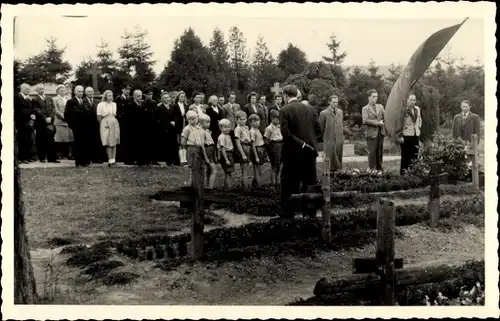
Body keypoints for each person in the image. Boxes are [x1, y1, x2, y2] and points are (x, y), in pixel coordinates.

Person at [279, 85, 322, 219]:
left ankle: (288, 216)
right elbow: (319, 131)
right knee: (309, 184)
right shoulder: (310, 109)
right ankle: (310, 215)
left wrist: (301, 144)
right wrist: (309, 144)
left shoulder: (284, 110)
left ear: (286, 96)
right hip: (310, 154)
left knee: (289, 185)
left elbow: (285, 133)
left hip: (292, 155)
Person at [64, 85, 94, 167]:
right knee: (77, 144)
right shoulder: (70, 102)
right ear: (75, 92)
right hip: (77, 127)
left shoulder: (84, 101)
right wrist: (72, 125)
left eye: (82, 91)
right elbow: (67, 115)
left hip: (85, 127)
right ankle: (78, 162)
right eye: (79, 91)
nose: (81, 93)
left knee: (85, 143)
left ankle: (85, 161)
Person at [31, 84, 58, 163]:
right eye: (39, 89)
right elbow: (36, 110)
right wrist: (44, 118)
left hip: (50, 123)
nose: (41, 90)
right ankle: (42, 158)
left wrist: (50, 117)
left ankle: (52, 158)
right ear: (37, 91)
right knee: (41, 140)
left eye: (42, 89)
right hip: (41, 123)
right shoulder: (35, 99)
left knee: (51, 140)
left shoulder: (49, 98)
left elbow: (53, 109)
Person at [362, 89, 386, 173]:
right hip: (371, 133)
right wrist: (377, 123)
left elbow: (385, 117)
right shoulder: (365, 108)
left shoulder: (380, 106)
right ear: (369, 98)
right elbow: (365, 121)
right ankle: (371, 169)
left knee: (379, 151)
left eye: (376, 97)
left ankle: (379, 169)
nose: (376, 98)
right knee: (372, 152)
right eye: (374, 97)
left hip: (380, 132)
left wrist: (384, 123)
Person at [319, 94, 345, 173]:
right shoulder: (324, 113)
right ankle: (327, 177)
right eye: (333, 102)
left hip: (339, 140)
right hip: (329, 140)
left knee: (338, 159)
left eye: (336, 102)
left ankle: (338, 175)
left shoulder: (340, 112)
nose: (335, 104)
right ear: (329, 102)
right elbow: (321, 128)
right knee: (328, 160)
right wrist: (325, 138)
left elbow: (340, 126)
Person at [398, 94, 422, 175]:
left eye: (414, 100)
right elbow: (399, 123)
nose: (412, 102)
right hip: (406, 135)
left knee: (415, 154)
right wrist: (400, 135)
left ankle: (413, 172)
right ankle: (404, 174)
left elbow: (419, 119)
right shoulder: (403, 110)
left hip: (415, 134)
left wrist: (418, 127)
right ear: (407, 100)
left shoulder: (417, 109)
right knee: (405, 156)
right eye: (411, 100)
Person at [96, 90, 120, 166]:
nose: (110, 97)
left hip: (113, 121)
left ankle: (113, 159)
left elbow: (114, 114)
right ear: (105, 96)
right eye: (109, 95)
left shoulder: (114, 104)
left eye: (111, 95)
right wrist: (102, 125)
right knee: (108, 142)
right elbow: (99, 117)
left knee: (114, 142)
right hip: (105, 122)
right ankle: (110, 160)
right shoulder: (101, 104)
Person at [181, 110, 205, 186]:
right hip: (191, 148)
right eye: (191, 119)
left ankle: (197, 181)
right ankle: (191, 182)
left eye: (195, 118)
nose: (194, 120)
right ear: (188, 120)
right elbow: (183, 141)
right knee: (192, 165)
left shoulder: (198, 128)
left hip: (198, 148)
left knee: (198, 165)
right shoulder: (187, 129)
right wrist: (185, 148)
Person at [155, 92, 178, 166]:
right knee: (166, 145)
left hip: (172, 129)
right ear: (162, 100)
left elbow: (175, 116)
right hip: (164, 129)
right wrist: (169, 123)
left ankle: (173, 160)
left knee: (173, 144)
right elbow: (159, 119)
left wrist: (174, 121)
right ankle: (168, 160)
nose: (168, 99)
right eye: (165, 98)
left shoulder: (172, 107)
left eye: (168, 97)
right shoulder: (159, 108)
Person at [14, 83, 35, 163]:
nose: (28, 90)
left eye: (29, 89)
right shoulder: (17, 97)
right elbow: (17, 110)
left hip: (28, 122)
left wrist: (32, 114)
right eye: (26, 89)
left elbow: (32, 109)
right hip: (20, 122)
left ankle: (27, 156)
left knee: (28, 140)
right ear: (22, 89)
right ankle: (20, 158)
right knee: (20, 140)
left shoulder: (29, 98)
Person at [84, 87, 105, 164]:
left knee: (97, 141)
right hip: (87, 124)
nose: (91, 93)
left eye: (91, 92)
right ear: (85, 93)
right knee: (88, 142)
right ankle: (88, 158)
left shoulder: (97, 102)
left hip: (96, 124)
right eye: (89, 92)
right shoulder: (83, 101)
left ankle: (96, 158)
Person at [52, 85, 74, 160]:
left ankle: (70, 154)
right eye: (61, 90)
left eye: (64, 90)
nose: (63, 92)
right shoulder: (55, 99)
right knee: (60, 138)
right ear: (57, 91)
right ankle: (59, 154)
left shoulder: (68, 98)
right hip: (60, 121)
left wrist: (69, 117)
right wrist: (64, 117)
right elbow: (56, 110)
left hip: (69, 121)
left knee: (70, 138)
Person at [264, 109, 283, 186]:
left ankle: (278, 183)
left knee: (279, 165)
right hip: (273, 146)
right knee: (274, 166)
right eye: (277, 119)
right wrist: (270, 148)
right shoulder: (269, 128)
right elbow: (266, 139)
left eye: (279, 119)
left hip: (280, 145)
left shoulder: (279, 127)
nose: (278, 121)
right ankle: (273, 183)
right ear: (272, 118)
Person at [199, 113, 218, 190]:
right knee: (213, 170)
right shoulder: (201, 132)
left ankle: (208, 186)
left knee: (209, 170)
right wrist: (206, 158)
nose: (209, 124)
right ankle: (209, 187)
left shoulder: (207, 131)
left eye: (209, 122)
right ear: (201, 123)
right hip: (206, 154)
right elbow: (202, 145)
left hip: (211, 153)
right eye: (207, 122)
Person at [234, 110, 252, 189]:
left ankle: (245, 186)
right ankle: (245, 188)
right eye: (240, 119)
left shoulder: (246, 128)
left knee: (247, 168)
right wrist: (243, 154)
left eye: (244, 119)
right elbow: (238, 143)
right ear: (237, 120)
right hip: (242, 148)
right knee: (244, 169)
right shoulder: (238, 129)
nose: (243, 121)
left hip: (248, 147)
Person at [115, 84, 132, 162]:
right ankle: (121, 157)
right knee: (122, 139)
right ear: (122, 90)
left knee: (128, 140)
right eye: (126, 89)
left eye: (129, 89)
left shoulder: (131, 98)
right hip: (121, 122)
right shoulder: (118, 99)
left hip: (129, 122)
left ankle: (128, 157)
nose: (128, 91)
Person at [143, 88, 160, 165]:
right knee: (147, 143)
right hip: (146, 125)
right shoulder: (143, 103)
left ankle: (154, 159)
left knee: (154, 143)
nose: (150, 96)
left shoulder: (154, 103)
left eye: (151, 94)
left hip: (154, 125)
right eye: (149, 94)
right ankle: (147, 160)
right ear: (145, 95)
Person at [217, 118, 235, 189]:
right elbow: (222, 149)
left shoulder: (228, 135)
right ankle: (228, 188)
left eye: (228, 127)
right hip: (226, 155)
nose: (227, 129)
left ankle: (228, 187)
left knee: (229, 173)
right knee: (227, 173)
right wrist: (226, 159)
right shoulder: (222, 137)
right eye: (225, 127)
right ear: (221, 128)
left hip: (230, 154)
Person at [249, 114, 265, 187]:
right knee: (257, 168)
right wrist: (256, 156)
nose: (257, 123)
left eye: (258, 121)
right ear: (250, 123)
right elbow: (253, 145)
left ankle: (254, 184)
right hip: (256, 150)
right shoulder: (252, 131)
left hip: (260, 149)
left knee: (259, 168)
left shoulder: (258, 130)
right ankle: (258, 185)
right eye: (254, 121)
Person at [173, 90, 188, 166]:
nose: (182, 98)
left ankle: (185, 160)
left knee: (184, 142)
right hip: (179, 125)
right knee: (179, 142)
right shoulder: (175, 106)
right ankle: (180, 160)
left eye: (183, 97)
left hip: (185, 124)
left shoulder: (186, 105)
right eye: (181, 96)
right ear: (178, 97)